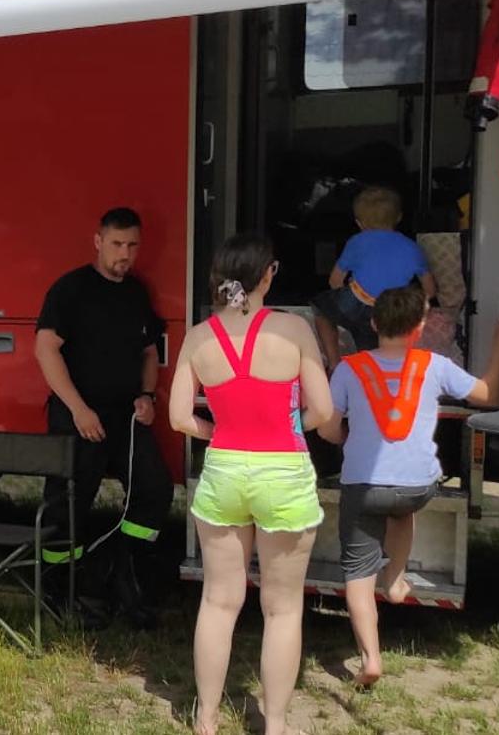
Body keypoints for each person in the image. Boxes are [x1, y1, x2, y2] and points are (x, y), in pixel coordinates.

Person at [316, 285, 499, 688]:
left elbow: (327, 428)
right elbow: (488, 394)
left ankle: (371, 659)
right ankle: (395, 578)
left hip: (363, 485)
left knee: (357, 576)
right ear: (421, 326)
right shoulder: (435, 364)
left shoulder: (349, 368)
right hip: (416, 487)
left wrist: (343, 438)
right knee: (402, 509)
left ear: (373, 323)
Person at [169, 234, 333, 735]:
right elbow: (323, 412)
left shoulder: (198, 338)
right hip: (283, 473)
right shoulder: (294, 329)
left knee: (219, 602)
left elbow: (179, 418)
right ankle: (276, 723)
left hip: (223, 472)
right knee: (282, 609)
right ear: (268, 275)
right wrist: (287, 428)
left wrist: (215, 430)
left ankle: (207, 717)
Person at [34, 207, 174, 629]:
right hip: (78, 417)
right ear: (98, 242)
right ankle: (60, 590)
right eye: (116, 244)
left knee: (155, 489)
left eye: (132, 246)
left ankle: (121, 574)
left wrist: (148, 396)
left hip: (125, 417)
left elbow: (150, 353)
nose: (124, 254)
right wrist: (78, 409)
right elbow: (45, 349)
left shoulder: (136, 293)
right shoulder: (71, 289)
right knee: (69, 503)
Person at [313, 186, 437, 370]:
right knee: (373, 350)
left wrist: (343, 296)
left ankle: (334, 363)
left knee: (321, 309)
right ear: (399, 218)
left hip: (357, 302)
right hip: (394, 309)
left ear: (359, 223)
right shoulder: (412, 247)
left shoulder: (356, 242)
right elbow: (430, 290)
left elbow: (334, 281)